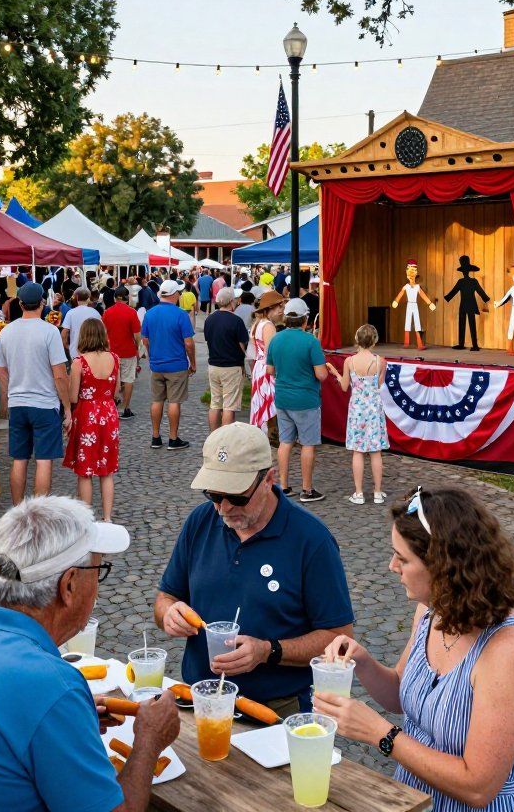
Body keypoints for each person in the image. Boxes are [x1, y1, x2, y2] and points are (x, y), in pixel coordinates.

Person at [0, 497, 180, 812]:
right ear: (69, 586)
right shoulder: (52, 687)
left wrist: (64, 722)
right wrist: (149, 740)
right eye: (100, 570)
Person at [314, 487, 514, 812]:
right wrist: (362, 660)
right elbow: (400, 694)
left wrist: (379, 732)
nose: (391, 566)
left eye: (403, 558)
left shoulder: (510, 649)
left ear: (444, 567)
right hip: (415, 800)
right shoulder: (432, 610)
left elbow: (479, 787)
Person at [155, 422, 355, 716]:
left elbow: (340, 639)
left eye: (236, 497)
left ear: (268, 479)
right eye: (213, 495)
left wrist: (268, 651)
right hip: (199, 699)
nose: (223, 508)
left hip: (273, 709)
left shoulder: (311, 540)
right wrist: (168, 614)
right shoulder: (200, 522)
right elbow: (165, 598)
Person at [0, 282, 72, 505]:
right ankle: (39, 511)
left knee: (19, 460)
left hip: (18, 402)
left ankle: (17, 510)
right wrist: (67, 408)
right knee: (44, 460)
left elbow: (1, 372)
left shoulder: (6, 332)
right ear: (42, 303)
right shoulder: (49, 331)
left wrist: (7, 400)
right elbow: (59, 374)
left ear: (20, 304)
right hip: (45, 404)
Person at [266, 297, 328, 503]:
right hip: (305, 400)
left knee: (285, 442)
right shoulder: (311, 341)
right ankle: (307, 490)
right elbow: (321, 375)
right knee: (308, 444)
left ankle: (283, 486)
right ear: (305, 320)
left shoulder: (276, 339)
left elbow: (270, 370)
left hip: (283, 398)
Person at [64, 319, 120, 522]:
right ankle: (107, 517)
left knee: (85, 470)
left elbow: (72, 396)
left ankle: (87, 518)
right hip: (108, 413)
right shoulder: (115, 358)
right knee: (107, 470)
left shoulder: (79, 362)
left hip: (87, 414)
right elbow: (116, 390)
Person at [328, 324, 388, 505]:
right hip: (374, 408)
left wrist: (335, 373)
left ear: (357, 340)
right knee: (376, 451)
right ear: (375, 341)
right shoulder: (381, 361)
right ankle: (377, 492)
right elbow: (378, 385)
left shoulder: (349, 361)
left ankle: (359, 493)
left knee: (358, 451)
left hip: (357, 410)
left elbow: (345, 386)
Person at [141, 280, 196, 451]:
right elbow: (188, 343)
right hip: (176, 364)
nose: (180, 295)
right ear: (173, 295)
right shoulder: (181, 315)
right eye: (179, 292)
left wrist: (151, 357)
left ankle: (155, 437)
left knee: (157, 400)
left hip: (157, 365)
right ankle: (173, 438)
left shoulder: (150, 314)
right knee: (174, 402)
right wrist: (192, 363)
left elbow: (145, 340)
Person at [204, 287, 250, 433]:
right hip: (231, 366)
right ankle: (225, 438)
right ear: (231, 302)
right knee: (229, 405)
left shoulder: (209, 319)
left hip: (213, 365)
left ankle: (213, 436)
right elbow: (243, 345)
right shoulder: (236, 321)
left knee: (215, 403)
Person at [103, 285, 143, 419]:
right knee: (128, 379)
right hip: (128, 351)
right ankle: (125, 408)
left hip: (111, 352)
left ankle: (112, 405)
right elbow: (137, 335)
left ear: (115, 298)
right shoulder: (131, 312)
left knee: (113, 379)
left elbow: (104, 333)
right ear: (127, 298)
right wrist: (138, 348)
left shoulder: (107, 312)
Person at [249, 290, 284, 435]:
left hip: (259, 366)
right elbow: (272, 352)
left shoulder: (258, 323)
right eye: (279, 307)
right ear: (271, 308)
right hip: (266, 368)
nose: (282, 310)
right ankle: (270, 434)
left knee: (264, 402)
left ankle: (268, 433)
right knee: (269, 401)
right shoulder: (268, 326)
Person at [61, 286, 102, 359]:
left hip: (75, 352)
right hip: (93, 352)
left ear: (76, 297)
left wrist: (67, 346)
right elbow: (102, 332)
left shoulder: (71, 313)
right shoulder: (95, 313)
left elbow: (64, 333)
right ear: (89, 298)